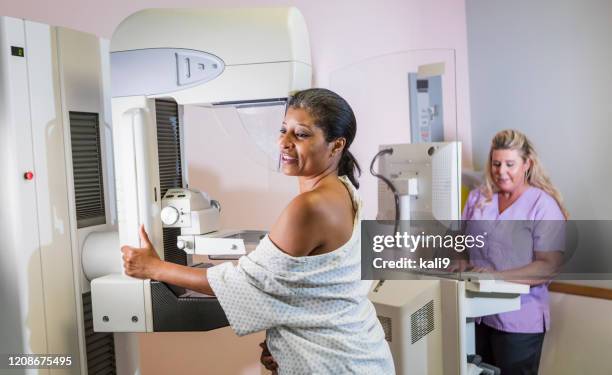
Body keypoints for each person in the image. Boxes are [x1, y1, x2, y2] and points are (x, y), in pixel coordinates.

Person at [121, 88, 395, 374]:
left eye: (300, 134)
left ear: (336, 145)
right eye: (283, 130)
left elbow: (244, 283)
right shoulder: (345, 191)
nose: (283, 142)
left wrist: (153, 268)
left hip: (336, 363)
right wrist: (286, 345)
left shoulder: (310, 207)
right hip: (356, 354)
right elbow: (322, 290)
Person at [461, 129, 568, 374]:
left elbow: (548, 266)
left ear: (527, 164)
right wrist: (458, 260)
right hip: (476, 315)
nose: (501, 171)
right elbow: (459, 240)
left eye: (510, 164)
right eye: (496, 163)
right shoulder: (480, 197)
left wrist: (494, 277)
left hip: (519, 321)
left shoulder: (543, 205)